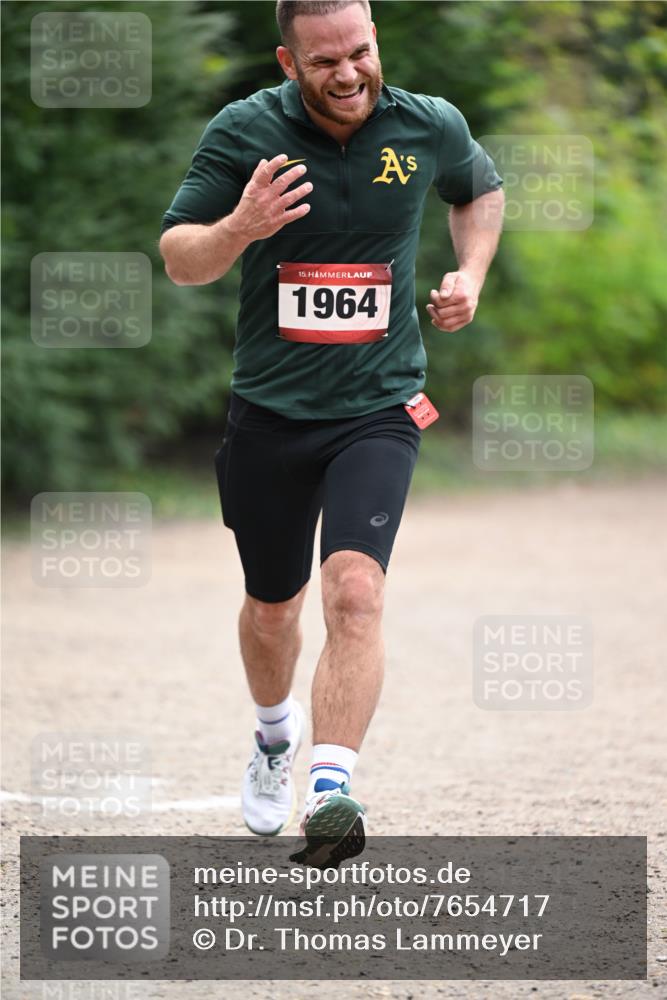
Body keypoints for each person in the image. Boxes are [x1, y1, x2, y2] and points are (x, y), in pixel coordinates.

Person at [160, 0, 504, 865]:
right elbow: (180, 258)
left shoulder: (427, 124)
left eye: (359, 52)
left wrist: (469, 274)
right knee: (272, 608)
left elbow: (478, 189)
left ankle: (329, 790)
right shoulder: (245, 132)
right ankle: (274, 736)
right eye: (324, 62)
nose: (348, 74)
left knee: (355, 592)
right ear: (288, 62)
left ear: (374, 40)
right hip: (270, 413)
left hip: (379, 406)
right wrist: (240, 227)